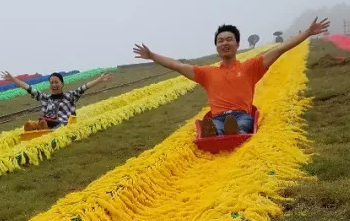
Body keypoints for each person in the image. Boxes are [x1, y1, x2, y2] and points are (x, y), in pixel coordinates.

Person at [132, 17, 330, 135]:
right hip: (218, 117)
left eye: (229, 39)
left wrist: (307, 33)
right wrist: (152, 56)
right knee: (216, 127)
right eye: (220, 40)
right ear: (216, 46)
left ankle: (230, 132)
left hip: (242, 114)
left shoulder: (251, 67)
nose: (225, 43)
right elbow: (177, 65)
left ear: (237, 44)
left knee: (242, 124)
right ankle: (216, 133)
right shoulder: (206, 73)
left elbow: (281, 49)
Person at [0, 70, 113, 130]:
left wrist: (100, 79)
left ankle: (43, 127)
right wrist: (14, 79)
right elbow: (29, 88)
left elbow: (85, 87)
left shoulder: (70, 96)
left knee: (57, 124)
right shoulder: (46, 98)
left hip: (63, 123)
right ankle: (36, 126)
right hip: (47, 121)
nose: (54, 84)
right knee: (38, 123)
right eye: (52, 83)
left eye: (56, 82)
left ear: (62, 84)